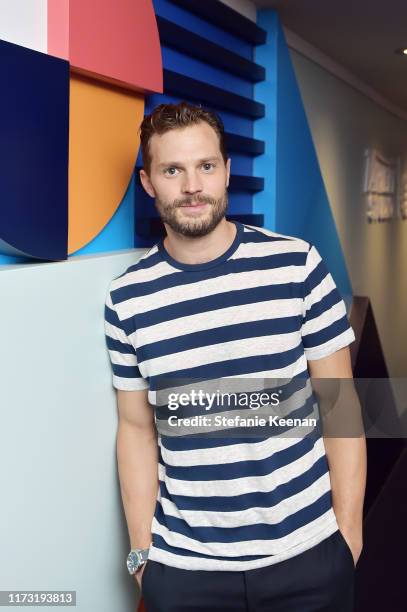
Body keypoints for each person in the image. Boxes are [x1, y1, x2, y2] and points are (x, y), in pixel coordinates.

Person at [104, 101, 366, 611]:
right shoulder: (127, 298)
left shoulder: (296, 265)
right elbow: (136, 430)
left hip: (308, 556)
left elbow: (341, 407)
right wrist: (143, 555)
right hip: (185, 572)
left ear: (227, 171)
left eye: (205, 166)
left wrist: (348, 535)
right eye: (173, 170)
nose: (192, 185)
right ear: (149, 182)